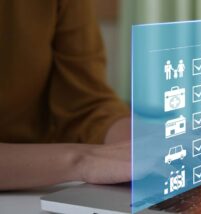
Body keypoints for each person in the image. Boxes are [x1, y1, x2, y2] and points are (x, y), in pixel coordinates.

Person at [0, 0, 131, 191]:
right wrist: (82, 160)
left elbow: (87, 103)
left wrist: (146, 140)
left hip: (37, 190)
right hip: (50, 177)